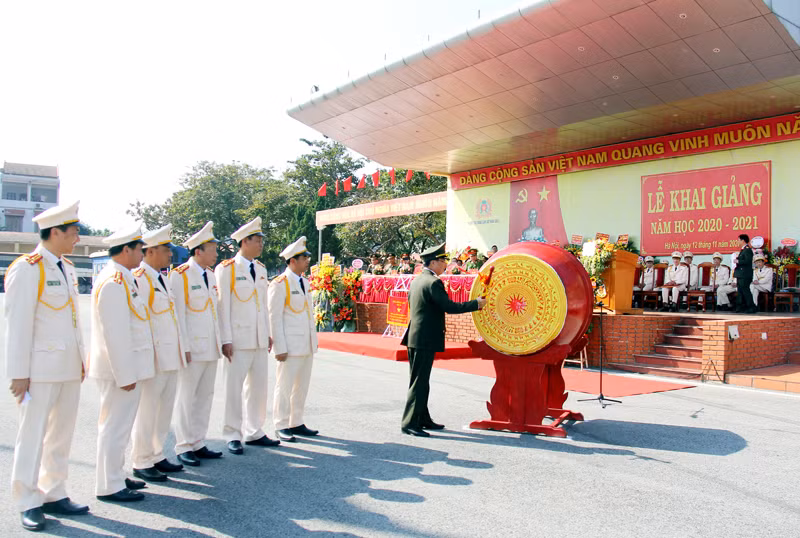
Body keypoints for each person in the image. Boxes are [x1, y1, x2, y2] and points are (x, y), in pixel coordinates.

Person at [5, 201, 89, 531]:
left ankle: (54, 492)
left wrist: (79, 361)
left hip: (67, 367)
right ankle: (28, 500)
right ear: (55, 232)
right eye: (73, 232)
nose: (77, 238)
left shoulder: (66, 267)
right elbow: (18, 325)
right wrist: (19, 374)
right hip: (39, 370)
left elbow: (71, 320)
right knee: (32, 436)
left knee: (60, 435)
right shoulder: (28, 268)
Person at [90, 224, 155, 503]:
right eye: (140, 249)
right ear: (126, 250)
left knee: (122, 426)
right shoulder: (113, 282)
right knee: (114, 427)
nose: (142, 254)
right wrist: (125, 374)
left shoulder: (124, 278)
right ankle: (109, 485)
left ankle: (116, 474)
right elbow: (114, 335)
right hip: (119, 371)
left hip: (128, 368)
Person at [400, 243, 487, 437]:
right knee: (419, 382)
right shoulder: (433, 282)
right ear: (433, 262)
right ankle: (410, 423)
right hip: (424, 338)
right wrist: (476, 304)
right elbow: (449, 306)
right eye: (442, 261)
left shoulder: (418, 280)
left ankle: (422, 418)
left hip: (416, 336)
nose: (445, 265)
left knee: (420, 381)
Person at [215, 217, 279, 455]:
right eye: (257, 240)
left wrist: (268, 333)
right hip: (238, 340)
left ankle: (255, 431)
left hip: (259, 338)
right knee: (233, 389)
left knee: (258, 388)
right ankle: (232, 433)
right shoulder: (227, 269)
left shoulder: (260, 269)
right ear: (244, 241)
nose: (261, 244)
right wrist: (225, 339)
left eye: (261, 240)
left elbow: (263, 305)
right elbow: (223, 306)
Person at [130, 224, 188, 483]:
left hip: (170, 355)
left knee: (164, 410)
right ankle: (141, 460)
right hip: (154, 357)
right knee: (148, 410)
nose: (170, 254)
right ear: (151, 251)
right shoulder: (140, 279)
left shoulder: (162, 278)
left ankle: (156, 454)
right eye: (166, 250)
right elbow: (140, 322)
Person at [169, 221, 223, 467]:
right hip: (192, 347)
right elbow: (178, 315)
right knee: (186, 397)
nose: (216, 254)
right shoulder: (180, 275)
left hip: (210, 345)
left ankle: (198, 441)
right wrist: (183, 347)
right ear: (198, 251)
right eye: (212, 249)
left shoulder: (210, 275)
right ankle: (183, 445)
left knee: (205, 395)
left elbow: (213, 312)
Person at [269, 236, 319, 443]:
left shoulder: (304, 282)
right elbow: (274, 317)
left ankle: (296, 421)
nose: (307, 261)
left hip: (305, 344)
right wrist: (279, 346)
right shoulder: (280, 283)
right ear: (292, 261)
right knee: (285, 387)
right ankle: (281, 424)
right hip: (289, 346)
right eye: (304, 258)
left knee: (301, 387)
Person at [734, 234, 756, 313]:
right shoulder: (743, 250)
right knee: (740, 291)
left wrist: (738, 261)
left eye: (739, 240)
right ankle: (741, 306)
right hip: (741, 274)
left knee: (745, 291)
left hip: (745, 274)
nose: (738, 242)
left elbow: (747, 261)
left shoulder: (747, 250)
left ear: (743, 240)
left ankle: (751, 307)